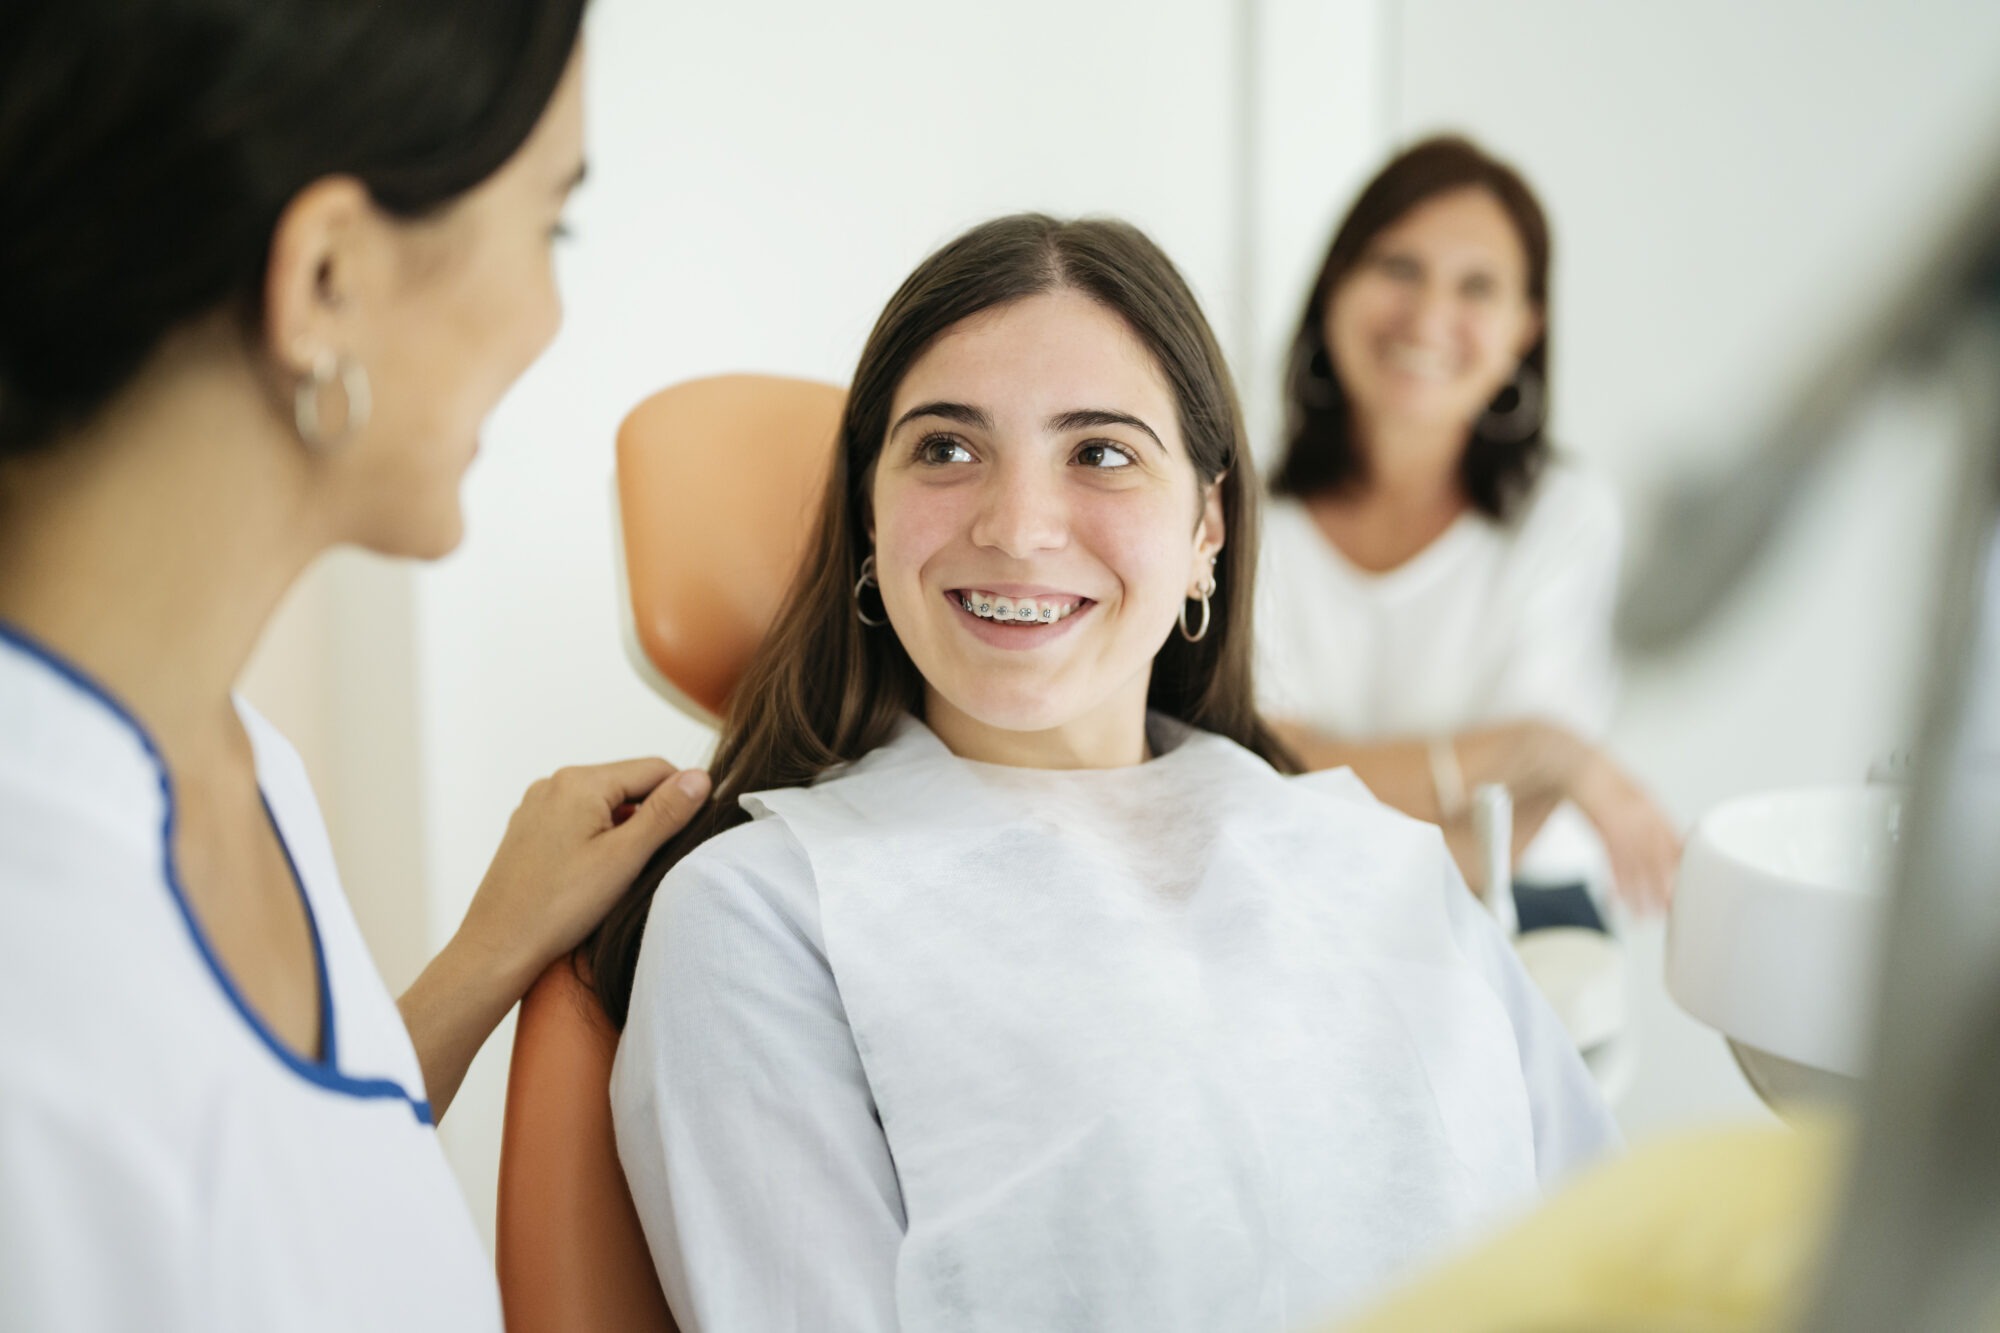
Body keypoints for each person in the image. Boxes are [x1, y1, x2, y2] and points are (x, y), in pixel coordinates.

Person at [598, 214, 1621, 1332]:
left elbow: (1614, 1256)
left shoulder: (1374, 860)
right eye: (944, 447)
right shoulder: (761, 915)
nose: (1019, 526)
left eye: (1100, 453)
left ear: (1205, 528)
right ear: (867, 515)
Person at [0, 4, 709, 1328]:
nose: (553, 315)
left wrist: (484, 959)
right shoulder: (35, 980)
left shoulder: (226, 756)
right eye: (550, 225)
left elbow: (265, 1196)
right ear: (326, 277)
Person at [1257, 135, 1680, 917]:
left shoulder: (1565, 514)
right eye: (1398, 268)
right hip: (1295, 904)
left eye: (1477, 286)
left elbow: (1513, 825)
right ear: (1334, 286)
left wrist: (1312, 795)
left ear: (1525, 328)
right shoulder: (1243, 517)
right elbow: (1253, 769)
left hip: (1516, 906)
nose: (1428, 317)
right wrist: (1526, 750)